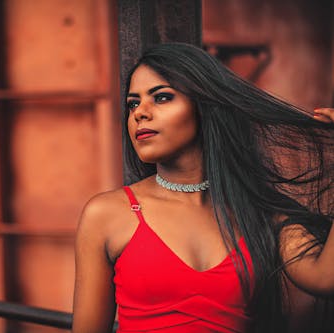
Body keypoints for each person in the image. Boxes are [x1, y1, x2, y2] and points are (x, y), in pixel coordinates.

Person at [72, 42, 334, 333]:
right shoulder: (107, 214)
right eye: (133, 103)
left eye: (161, 98)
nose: (139, 113)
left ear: (204, 107)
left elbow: (325, 278)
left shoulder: (260, 213)